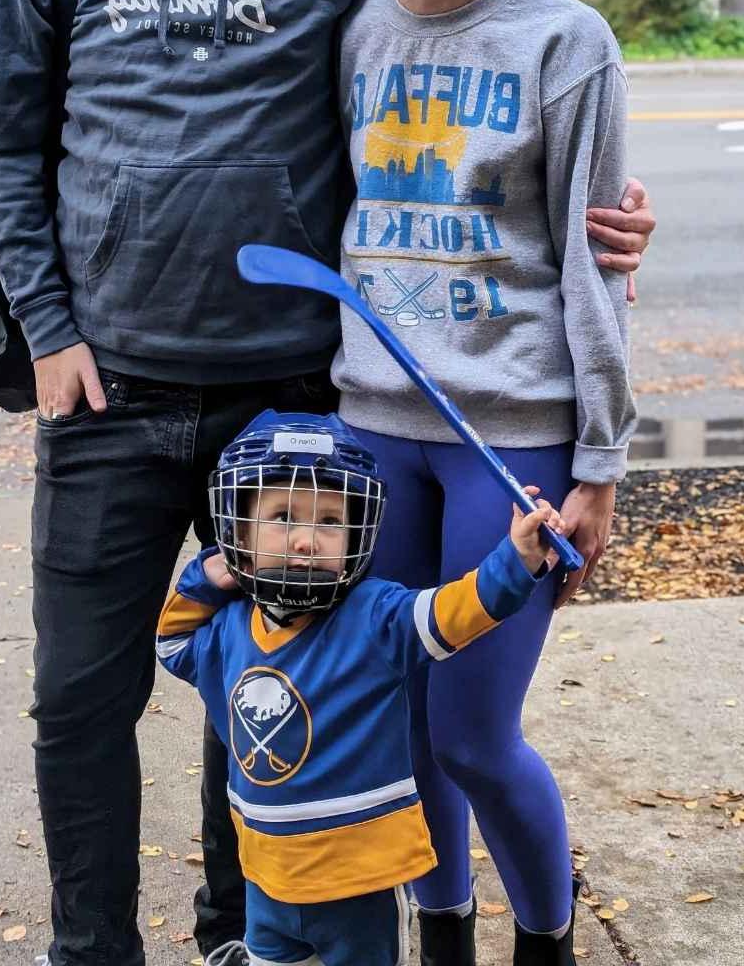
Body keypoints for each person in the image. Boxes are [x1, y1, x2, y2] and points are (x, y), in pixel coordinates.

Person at [0, 0, 655, 964]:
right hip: (112, 392)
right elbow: (2, 148)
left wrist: (603, 214)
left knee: (284, 688)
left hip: (294, 405)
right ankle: (91, 950)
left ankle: (244, 936)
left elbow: (471, 53)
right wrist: (49, 327)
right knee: (79, 703)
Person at [315, 0, 639, 965]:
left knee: (470, 732)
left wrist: (599, 465)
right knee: (402, 722)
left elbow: (593, 263)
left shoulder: (565, 41)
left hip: (512, 441)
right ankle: (440, 931)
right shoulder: (355, 32)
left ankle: (546, 940)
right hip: (374, 430)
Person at [157, 411, 578, 966]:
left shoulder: (375, 617)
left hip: (362, 885)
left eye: (330, 521)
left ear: (361, 531)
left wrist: (515, 561)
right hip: (266, 881)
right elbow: (170, 643)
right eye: (282, 517)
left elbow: (453, 612)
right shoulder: (229, 632)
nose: (306, 541)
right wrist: (205, 576)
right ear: (237, 532)